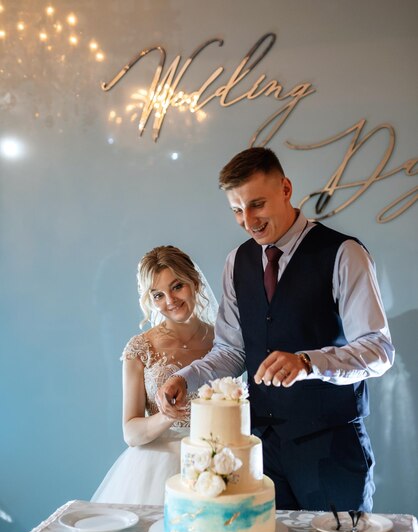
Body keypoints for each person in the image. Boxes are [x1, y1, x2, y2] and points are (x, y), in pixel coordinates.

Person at [157, 147, 395, 513]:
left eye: (256, 204)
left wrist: (307, 362)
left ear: (286, 189)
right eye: (237, 210)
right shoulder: (237, 261)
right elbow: (232, 350)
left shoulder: (344, 253)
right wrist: (185, 378)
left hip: (330, 447)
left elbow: (378, 350)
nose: (247, 220)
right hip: (260, 453)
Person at [91, 245, 216, 505]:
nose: (170, 300)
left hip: (217, 465)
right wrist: (165, 417)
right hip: (158, 472)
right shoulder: (140, 348)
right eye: (158, 295)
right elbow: (131, 433)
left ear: (194, 282)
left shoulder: (225, 344)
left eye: (177, 286)